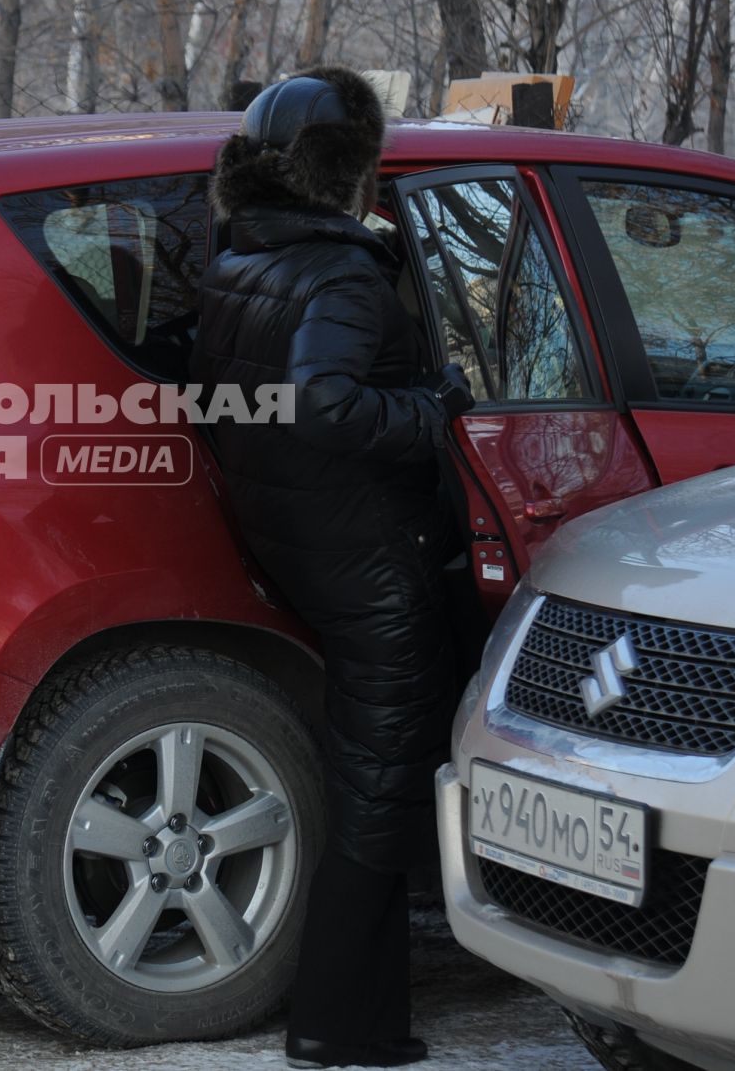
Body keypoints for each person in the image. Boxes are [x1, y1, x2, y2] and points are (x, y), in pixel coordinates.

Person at [190, 67, 475, 1068]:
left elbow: (243, 405)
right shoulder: (344, 275)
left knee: (371, 774)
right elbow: (324, 402)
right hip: (373, 559)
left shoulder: (240, 261)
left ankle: (346, 1015)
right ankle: (342, 1026)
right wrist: (434, 411)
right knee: (381, 784)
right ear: (350, 173)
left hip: (303, 545)